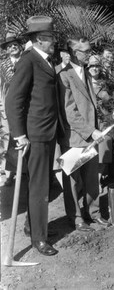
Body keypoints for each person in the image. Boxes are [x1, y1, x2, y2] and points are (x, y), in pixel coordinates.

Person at [5, 16, 64, 255]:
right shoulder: (28, 61)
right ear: (38, 40)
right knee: (40, 187)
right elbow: (12, 101)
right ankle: (39, 239)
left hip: (47, 132)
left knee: (41, 184)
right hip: (35, 135)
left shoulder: (46, 60)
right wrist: (19, 135)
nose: (53, 42)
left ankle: (33, 226)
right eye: (50, 38)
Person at [59, 37, 109, 232]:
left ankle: (94, 213)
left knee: (91, 178)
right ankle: (76, 218)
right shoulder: (64, 75)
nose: (89, 54)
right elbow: (69, 111)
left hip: (91, 136)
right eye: (85, 51)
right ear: (74, 53)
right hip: (74, 136)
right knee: (72, 180)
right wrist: (91, 131)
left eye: (89, 51)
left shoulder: (85, 73)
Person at [0, 32, 24, 186]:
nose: (13, 47)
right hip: (7, 104)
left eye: (15, 44)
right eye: (9, 46)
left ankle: (24, 172)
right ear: (6, 50)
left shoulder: (26, 61)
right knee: (8, 139)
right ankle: (8, 173)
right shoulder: (2, 66)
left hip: (24, 105)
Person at [88, 55, 114, 188]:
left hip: (104, 121)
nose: (94, 68)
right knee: (91, 152)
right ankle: (90, 181)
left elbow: (111, 102)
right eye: (92, 66)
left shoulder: (107, 83)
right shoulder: (84, 81)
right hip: (90, 122)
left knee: (104, 151)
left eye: (97, 65)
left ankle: (97, 180)